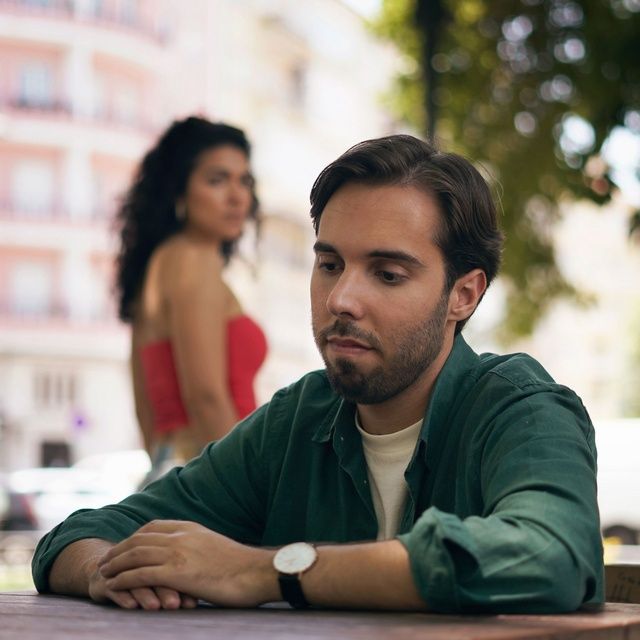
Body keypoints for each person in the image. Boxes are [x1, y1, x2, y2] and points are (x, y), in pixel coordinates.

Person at [32, 134, 603, 614]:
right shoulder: (296, 421)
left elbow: (550, 554)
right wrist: (109, 572)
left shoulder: (521, 409)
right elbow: (75, 536)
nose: (341, 299)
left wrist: (266, 571)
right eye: (330, 264)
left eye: (387, 274)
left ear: (464, 295)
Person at [114, 116, 267, 479]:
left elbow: (144, 404)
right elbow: (206, 398)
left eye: (244, 181)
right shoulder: (192, 260)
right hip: (213, 474)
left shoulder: (160, 263)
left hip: (176, 468)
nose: (237, 197)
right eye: (217, 180)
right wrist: (247, 489)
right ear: (179, 192)